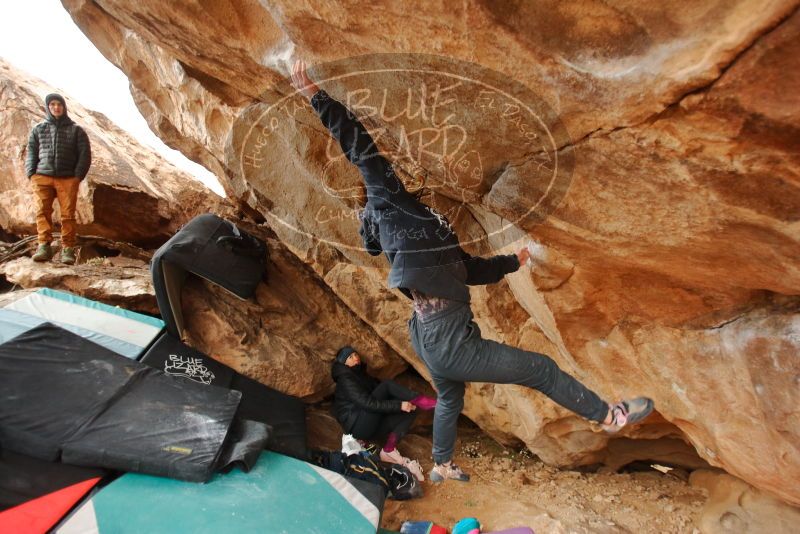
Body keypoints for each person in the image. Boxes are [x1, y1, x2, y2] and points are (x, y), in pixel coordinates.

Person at [291, 61, 654, 483]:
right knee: (541, 369)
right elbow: (360, 147)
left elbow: (467, 269)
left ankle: (441, 463)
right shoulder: (388, 204)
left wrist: (512, 262)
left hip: (428, 335)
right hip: (446, 337)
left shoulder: (404, 236)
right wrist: (315, 95)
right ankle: (608, 415)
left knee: (449, 397)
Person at [332, 346, 436, 482]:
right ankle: (422, 400)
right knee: (387, 386)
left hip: (370, 423)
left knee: (410, 410)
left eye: (355, 354)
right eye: (350, 357)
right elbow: (367, 403)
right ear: (343, 363)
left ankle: (389, 450)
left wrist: (402, 405)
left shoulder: (361, 375)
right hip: (357, 426)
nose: (356, 358)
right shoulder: (345, 379)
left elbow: (379, 394)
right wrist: (399, 405)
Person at [25, 93, 91, 265]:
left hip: (67, 178)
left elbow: (85, 155)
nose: (56, 107)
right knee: (42, 212)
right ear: (48, 107)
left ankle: (68, 250)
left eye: (59, 104)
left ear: (64, 106)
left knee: (68, 215)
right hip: (42, 176)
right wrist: (31, 174)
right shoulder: (39, 129)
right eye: (52, 104)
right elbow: (31, 152)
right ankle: (43, 247)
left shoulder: (76, 130)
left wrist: (77, 176)